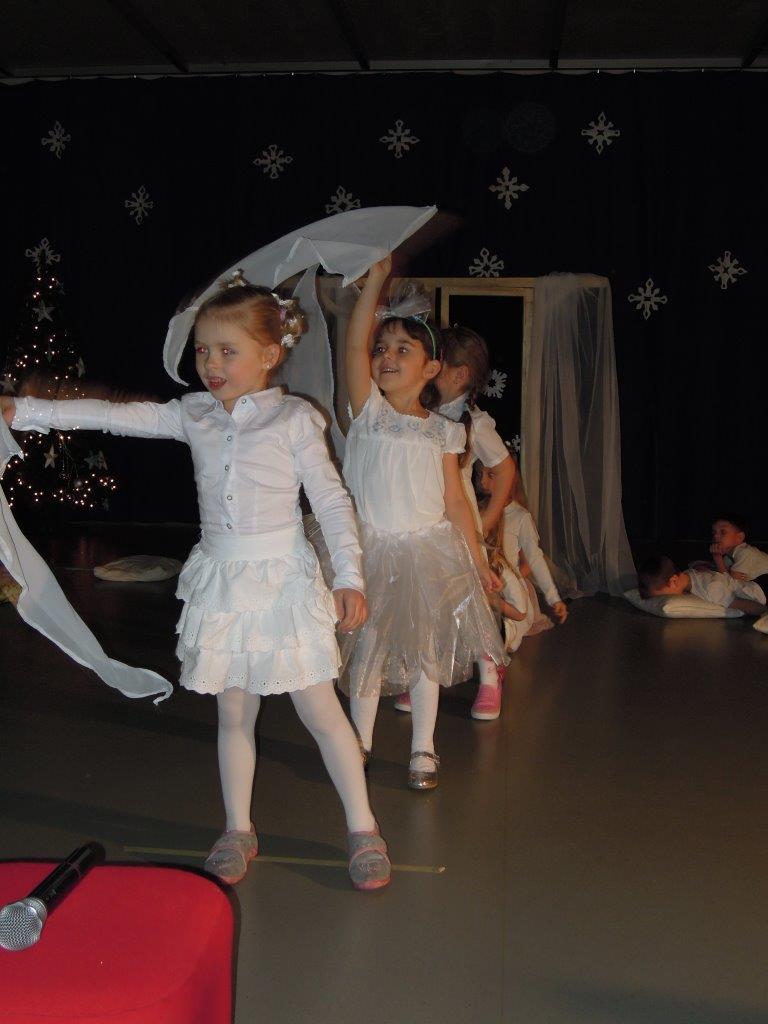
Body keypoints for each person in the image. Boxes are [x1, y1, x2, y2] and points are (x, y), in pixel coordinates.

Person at [1, 278, 390, 891]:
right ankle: (237, 828)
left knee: (320, 710)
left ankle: (363, 828)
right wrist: (26, 412)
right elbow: (114, 416)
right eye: (203, 349)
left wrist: (349, 575)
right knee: (234, 710)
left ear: (270, 355)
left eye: (227, 351)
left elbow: (332, 501)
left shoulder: (293, 419)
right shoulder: (194, 414)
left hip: (282, 582)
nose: (211, 363)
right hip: (223, 582)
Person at [338, 259, 506, 790]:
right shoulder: (368, 412)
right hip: (369, 549)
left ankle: (423, 748)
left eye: (402, 350)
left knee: (424, 653)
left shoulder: (444, 433)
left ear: (431, 368)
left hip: (426, 552)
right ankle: (358, 741)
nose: (386, 357)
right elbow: (352, 347)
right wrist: (374, 284)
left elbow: (455, 502)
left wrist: (477, 561)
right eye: (381, 349)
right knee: (367, 646)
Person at [477, 460, 568, 661]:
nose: (482, 481)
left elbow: (534, 559)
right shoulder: (478, 511)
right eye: (481, 474)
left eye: (490, 475)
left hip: (510, 587)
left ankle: (505, 635)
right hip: (485, 581)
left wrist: (553, 597)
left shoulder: (520, 517)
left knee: (519, 617)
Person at [637, 554, 766, 616]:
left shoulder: (711, 588)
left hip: (762, 591)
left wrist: (765, 613)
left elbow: (745, 605)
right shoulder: (689, 575)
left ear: (674, 581)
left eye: (662, 597)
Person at [709, 516, 768, 601]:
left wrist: (718, 559)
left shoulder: (745, 553)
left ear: (739, 537)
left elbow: (732, 585)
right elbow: (722, 575)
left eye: (723, 532)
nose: (715, 536)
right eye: (714, 532)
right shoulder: (728, 557)